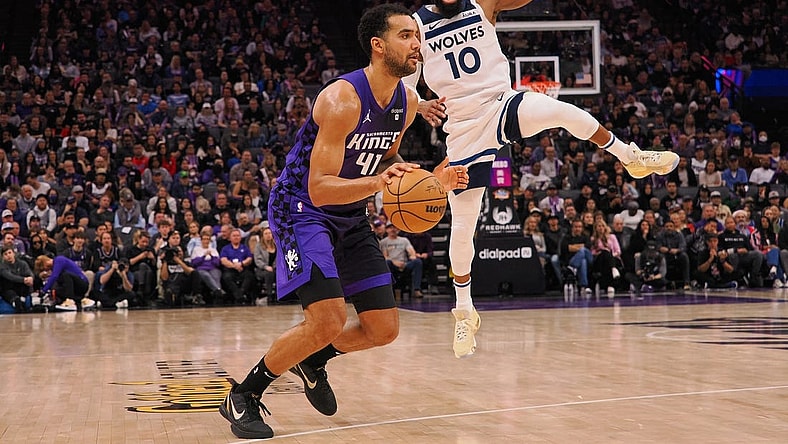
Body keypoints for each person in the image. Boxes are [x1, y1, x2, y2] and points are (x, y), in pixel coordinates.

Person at [218, 5, 467, 440]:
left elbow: (387, 161)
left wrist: (431, 182)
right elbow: (319, 188)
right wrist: (378, 183)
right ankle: (244, 395)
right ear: (378, 45)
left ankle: (313, 359)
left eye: (416, 36)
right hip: (301, 209)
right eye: (406, 36)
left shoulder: (407, 102)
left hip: (349, 213)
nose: (417, 43)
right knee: (327, 319)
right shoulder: (341, 99)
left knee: (382, 328)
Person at [406, 0, 679, 358]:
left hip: (501, 104)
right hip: (464, 128)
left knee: (561, 111)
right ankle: (464, 311)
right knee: (462, 226)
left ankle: (630, 156)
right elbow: (405, 86)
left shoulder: (481, 3)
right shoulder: (414, 25)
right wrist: (420, 104)